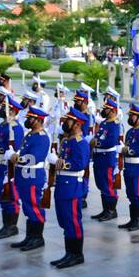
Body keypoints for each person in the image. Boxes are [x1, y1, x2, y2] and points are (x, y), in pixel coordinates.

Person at [49, 108, 90, 268]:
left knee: (73, 220)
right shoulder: (66, 141)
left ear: (77, 124)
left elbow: (80, 164)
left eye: (68, 121)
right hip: (62, 185)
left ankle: (76, 254)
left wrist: (60, 163)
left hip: (72, 186)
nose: (65, 123)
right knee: (64, 220)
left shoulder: (81, 143)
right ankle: (68, 253)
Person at [10, 105, 50, 252]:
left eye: (31, 118)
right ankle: (30, 237)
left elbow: (34, 157)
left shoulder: (42, 137)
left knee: (34, 206)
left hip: (33, 177)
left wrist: (16, 157)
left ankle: (38, 238)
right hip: (24, 176)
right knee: (27, 207)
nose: (28, 120)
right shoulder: (30, 134)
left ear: (38, 120)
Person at [0, 94, 23, 239]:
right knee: (2, 195)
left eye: (4, 107)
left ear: (12, 111)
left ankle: (12, 227)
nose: (2, 108)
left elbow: (16, 149)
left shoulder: (16, 128)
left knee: (10, 195)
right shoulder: (3, 125)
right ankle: (5, 225)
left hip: (8, 166)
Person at [117, 103, 139, 232]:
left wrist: (127, 149)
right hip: (129, 166)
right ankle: (133, 219)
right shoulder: (130, 131)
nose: (130, 118)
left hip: (138, 167)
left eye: (132, 116)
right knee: (131, 193)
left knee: (138, 194)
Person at [90, 97, 122, 221]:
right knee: (101, 184)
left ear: (113, 111)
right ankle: (105, 209)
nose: (104, 111)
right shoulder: (104, 123)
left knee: (108, 184)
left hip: (106, 157)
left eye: (106, 109)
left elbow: (111, 141)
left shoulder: (114, 124)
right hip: (99, 157)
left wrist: (96, 142)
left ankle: (111, 210)